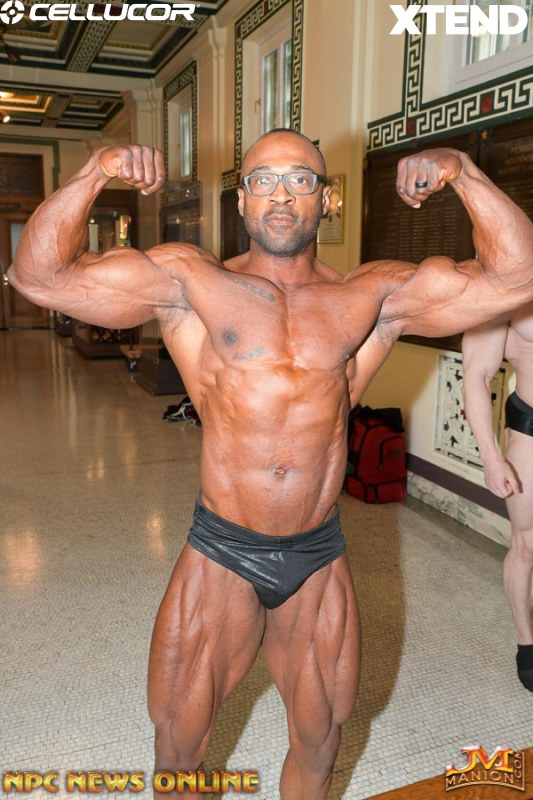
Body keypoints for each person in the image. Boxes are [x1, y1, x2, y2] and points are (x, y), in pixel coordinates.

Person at [8, 129, 533, 799]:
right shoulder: (190, 281)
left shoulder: (373, 295)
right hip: (221, 548)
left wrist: (462, 169)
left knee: (320, 738)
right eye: (262, 180)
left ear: (325, 198)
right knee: (179, 746)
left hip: (315, 550)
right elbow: (40, 276)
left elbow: (515, 276)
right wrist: (95, 171)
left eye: (299, 180)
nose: (280, 195)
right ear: (242, 201)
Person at [462, 305, 533, 693]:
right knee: (527, 545)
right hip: (530, 431)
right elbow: (477, 374)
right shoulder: (507, 291)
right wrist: (491, 458)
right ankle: (527, 642)